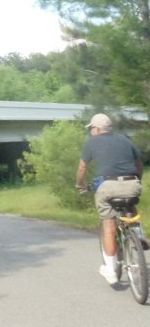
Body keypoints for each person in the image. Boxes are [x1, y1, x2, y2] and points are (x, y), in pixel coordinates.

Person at [75, 113, 148, 285]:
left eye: (92, 128)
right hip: (132, 184)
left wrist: (80, 184)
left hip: (108, 186)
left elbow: (82, 167)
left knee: (109, 226)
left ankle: (110, 269)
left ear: (98, 129)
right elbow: (138, 164)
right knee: (130, 204)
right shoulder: (125, 140)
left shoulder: (91, 142)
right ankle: (138, 234)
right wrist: (137, 179)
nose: (91, 131)